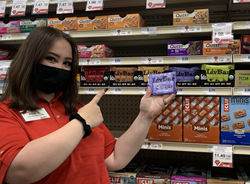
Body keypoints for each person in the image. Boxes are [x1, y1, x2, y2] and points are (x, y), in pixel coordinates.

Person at [0, 27, 175, 184]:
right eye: (51, 59)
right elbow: (19, 172)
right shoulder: (6, 113)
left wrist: (145, 116)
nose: (60, 67)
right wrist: (80, 123)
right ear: (29, 60)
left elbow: (115, 158)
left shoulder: (80, 108)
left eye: (67, 63)